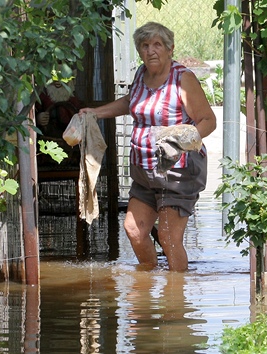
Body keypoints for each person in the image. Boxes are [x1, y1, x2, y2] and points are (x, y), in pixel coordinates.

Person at [79, 22, 216, 271]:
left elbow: (209, 121)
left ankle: (175, 301)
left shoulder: (183, 79)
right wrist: (96, 113)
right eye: (144, 45)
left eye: (157, 44)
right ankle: (148, 286)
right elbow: (131, 102)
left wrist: (181, 141)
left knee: (168, 238)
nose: (151, 51)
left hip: (178, 172)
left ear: (170, 48)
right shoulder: (141, 74)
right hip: (144, 172)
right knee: (134, 230)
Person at [36, 75, 82, 168]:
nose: (58, 81)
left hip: (70, 144)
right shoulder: (43, 98)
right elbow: (34, 112)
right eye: (54, 78)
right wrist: (38, 118)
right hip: (47, 141)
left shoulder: (73, 100)